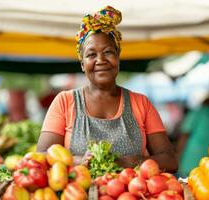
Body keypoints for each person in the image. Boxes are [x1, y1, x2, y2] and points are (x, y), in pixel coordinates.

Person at [37, 6, 177, 172]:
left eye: (108, 52)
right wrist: (77, 160)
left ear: (118, 57)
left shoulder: (141, 103)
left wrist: (134, 161)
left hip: (130, 195)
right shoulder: (64, 102)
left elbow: (170, 161)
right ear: (82, 64)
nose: (101, 60)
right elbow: (43, 156)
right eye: (91, 55)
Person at [176, 97, 209, 177]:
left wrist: (178, 154)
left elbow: (184, 135)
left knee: (188, 183)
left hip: (191, 160)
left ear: (202, 104)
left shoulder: (195, 113)